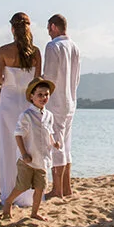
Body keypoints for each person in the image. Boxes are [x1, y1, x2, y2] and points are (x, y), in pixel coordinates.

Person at [0, 12, 41, 207]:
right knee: (28, 147)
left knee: (8, 147)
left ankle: (8, 193)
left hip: (8, 103)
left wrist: (8, 83)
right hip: (27, 103)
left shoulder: (4, 51)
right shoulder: (36, 52)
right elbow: (37, 82)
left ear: (12, 29)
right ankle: (28, 195)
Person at [1, 77, 60, 221]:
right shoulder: (26, 115)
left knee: (41, 187)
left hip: (43, 158)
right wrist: (24, 153)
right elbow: (18, 135)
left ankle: (34, 212)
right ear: (32, 96)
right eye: (40, 95)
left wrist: (54, 143)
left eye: (46, 94)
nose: (43, 98)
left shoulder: (49, 115)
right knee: (22, 186)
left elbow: (49, 133)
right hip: (27, 159)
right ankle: (8, 202)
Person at [42, 13, 80, 199]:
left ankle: (57, 189)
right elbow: (77, 78)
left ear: (53, 27)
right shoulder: (74, 47)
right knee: (66, 145)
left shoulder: (53, 46)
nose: (48, 31)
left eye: (48, 27)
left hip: (56, 101)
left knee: (56, 144)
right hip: (70, 101)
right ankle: (67, 187)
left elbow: (48, 78)